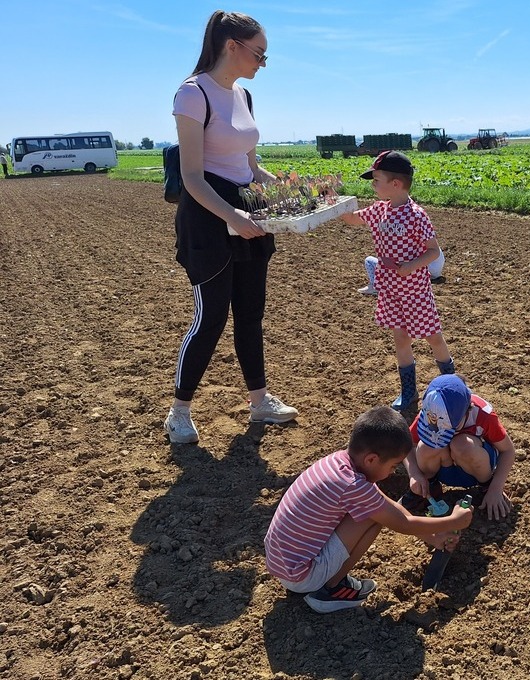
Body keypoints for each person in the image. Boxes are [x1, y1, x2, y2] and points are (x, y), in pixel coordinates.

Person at [163, 10, 298, 445]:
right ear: (231, 46)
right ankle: (178, 412)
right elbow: (192, 178)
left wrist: (293, 194)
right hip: (208, 217)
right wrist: (232, 217)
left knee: (250, 314)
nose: (262, 62)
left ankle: (259, 402)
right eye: (259, 53)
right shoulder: (192, 94)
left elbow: (251, 168)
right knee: (212, 316)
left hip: (246, 212)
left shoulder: (244, 96)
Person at [264, 406, 473, 613]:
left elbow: (392, 508)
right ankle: (330, 590)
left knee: (375, 511)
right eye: (393, 466)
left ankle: (328, 579)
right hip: (301, 576)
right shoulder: (353, 485)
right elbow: (402, 523)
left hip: (282, 564)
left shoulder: (341, 464)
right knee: (371, 517)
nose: (392, 473)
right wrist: (455, 521)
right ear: (371, 459)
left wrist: (434, 538)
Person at [339, 151, 454, 418]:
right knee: (401, 338)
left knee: (433, 336)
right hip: (390, 289)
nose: (372, 185)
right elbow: (353, 218)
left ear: (396, 184)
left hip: (414, 290)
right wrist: (333, 206)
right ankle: (409, 391)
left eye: (376, 179)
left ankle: (452, 384)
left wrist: (411, 266)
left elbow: (433, 251)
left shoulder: (416, 215)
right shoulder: (379, 209)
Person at [404, 374, 514, 520]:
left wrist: (496, 487)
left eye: (450, 429)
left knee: (461, 444)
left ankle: (485, 486)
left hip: (475, 468)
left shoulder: (483, 415)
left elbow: (508, 450)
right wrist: (414, 474)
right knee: (426, 446)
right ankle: (429, 487)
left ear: (467, 410)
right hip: (441, 468)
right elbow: (408, 446)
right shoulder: (431, 413)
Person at [358, 248, 445, 296]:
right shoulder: (431, 243)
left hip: (422, 272)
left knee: (369, 260)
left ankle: (375, 287)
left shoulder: (416, 242)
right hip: (435, 273)